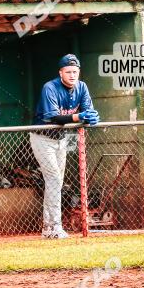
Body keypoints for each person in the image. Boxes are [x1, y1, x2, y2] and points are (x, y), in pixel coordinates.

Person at [30, 54, 99, 239]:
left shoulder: (82, 87)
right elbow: (55, 118)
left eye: (75, 72)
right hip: (42, 138)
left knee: (56, 183)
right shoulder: (50, 87)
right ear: (60, 73)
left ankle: (48, 228)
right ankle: (55, 226)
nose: (72, 75)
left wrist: (90, 118)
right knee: (53, 180)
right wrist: (79, 117)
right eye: (68, 71)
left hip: (61, 139)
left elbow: (87, 111)